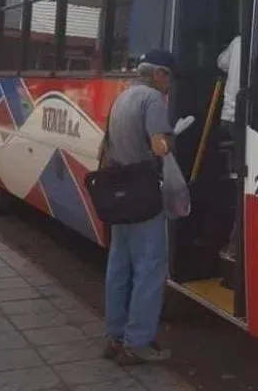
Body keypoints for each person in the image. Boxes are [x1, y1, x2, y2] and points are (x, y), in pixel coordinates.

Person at [100, 49, 179, 366]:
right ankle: (138, 342)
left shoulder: (123, 97)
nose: (169, 84)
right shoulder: (152, 100)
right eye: (168, 76)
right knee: (149, 268)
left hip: (118, 193)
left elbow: (105, 145)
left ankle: (115, 336)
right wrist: (173, 140)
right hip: (143, 192)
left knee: (119, 266)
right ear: (159, 73)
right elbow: (159, 146)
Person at [216, 35, 241, 263]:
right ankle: (235, 247)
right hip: (245, 119)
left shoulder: (236, 41)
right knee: (244, 188)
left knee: (239, 183)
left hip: (229, 116)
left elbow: (221, 63)